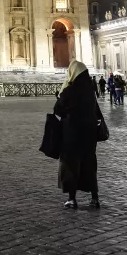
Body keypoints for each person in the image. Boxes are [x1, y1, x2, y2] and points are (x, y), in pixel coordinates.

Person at [54, 61, 101, 209]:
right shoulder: (90, 91)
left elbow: (58, 110)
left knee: (71, 165)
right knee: (89, 164)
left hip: (72, 133)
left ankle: (72, 199)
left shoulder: (69, 91)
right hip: (89, 134)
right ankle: (94, 199)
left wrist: (61, 96)